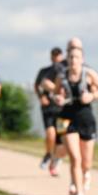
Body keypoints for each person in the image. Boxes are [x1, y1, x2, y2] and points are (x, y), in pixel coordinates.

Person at [48, 46, 98, 195]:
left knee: (86, 162)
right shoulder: (62, 76)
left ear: (82, 59)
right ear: (67, 59)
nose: (74, 60)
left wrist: (92, 96)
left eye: (77, 57)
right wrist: (58, 98)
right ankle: (79, 194)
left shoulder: (88, 74)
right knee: (75, 157)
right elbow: (54, 93)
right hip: (67, 119)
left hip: (86, 118)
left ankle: (86, 174)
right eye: (71, 57)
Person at [34, 47, 66, 175]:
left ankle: (54, 162)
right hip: (48, 108)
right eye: (54, 55)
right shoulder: (44, 71)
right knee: (50, 133)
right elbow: (37, 85)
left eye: (58, 55)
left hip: (62, 109)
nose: (56, 58)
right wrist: (41, 97)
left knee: (61, 138)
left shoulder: (65, 71)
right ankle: (48, 153)